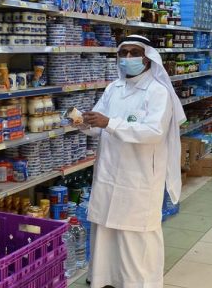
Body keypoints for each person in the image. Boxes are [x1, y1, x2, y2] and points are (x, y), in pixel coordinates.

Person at [80, 34, 186, 288]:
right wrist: (83, 123)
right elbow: (97, 124)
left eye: (134, 53)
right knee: (105, 228)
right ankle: (105, 278)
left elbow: (154, 132)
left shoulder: (158, 92)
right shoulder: (113, 88)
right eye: (123, 53)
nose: (128, 58)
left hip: (138, 174)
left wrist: (110, 123)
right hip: (108, 171)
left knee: (135, 232)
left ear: (147, 58)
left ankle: (139, 283)